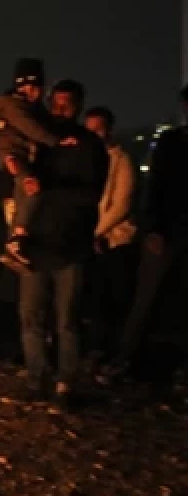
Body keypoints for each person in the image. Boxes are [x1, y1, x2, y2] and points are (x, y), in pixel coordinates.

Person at [17, 81, 108, 400]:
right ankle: (35, 378)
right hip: (36, 242)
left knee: (67, 320)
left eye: (66, 103)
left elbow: (90, 195)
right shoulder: (39, 141)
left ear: (79, 106)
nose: (59, 109)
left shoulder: (90, 147)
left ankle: (65, 381)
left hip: (72, 243)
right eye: (55, 103)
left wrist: (46, 190)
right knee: (31, 318)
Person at [105, 85, 188, 380]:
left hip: (170, 229)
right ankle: (126, 356)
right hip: (166, 231)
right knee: (145, 299)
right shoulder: (171, 142)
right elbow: (155, 187)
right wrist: (153, 227)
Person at [0, 58, 78, 273]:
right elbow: (30, 129)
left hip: (21, 158)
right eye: (25, 86)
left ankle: (14, 243)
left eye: (35, 86)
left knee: (25, 194)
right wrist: (57, 141)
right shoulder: (13, 105)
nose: (31, 91)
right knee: (32, 188)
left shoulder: (34, 109)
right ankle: (16, 238)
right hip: (13, 157)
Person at [83, 107, 137, 361]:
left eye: (98, 128)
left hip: (115, 239)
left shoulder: (121, 160)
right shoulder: (86, 158)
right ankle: (97, 346)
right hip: (91, 237)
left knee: (115, 296)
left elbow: (121, 205)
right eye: (89, 128)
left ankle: (116, 350)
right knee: (96, 296)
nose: (93, 133)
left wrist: (95, 231)